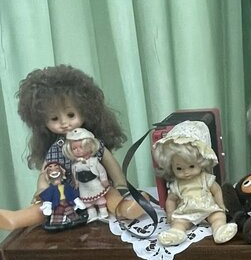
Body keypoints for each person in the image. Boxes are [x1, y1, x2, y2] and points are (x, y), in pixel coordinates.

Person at [0, 65, 143, 230]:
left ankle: (125, 208)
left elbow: (109, 162)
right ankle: (16, 219)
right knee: (45, 206)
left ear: (86, 109)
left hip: (96, 185)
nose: (64, 123)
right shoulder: (56, 148)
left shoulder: (91, 141)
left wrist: (120, 184)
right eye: (54, 118)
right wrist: (41, 190)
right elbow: (46, 172)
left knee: (111, 195)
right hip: (66, 193)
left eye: (70, 115)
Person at [151, 119, 237, 246]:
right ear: (171, 166)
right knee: (179, 222)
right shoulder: (177, 184)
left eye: (191, 166)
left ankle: (219, 230)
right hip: (186, 212)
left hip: (208, 208)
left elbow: (217, 190)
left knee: (218, 216)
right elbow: (171, 200)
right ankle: (176, 233)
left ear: (201, 162)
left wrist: (221, 205)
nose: (186, 172)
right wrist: (170, 214)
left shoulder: (205, 178)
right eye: (179, 168)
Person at [63, 128, 110, 222]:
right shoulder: (75, 165)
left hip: (94, 183)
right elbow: (74, 175)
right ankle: (92, 214)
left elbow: (101, 171)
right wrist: (76, 183)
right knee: (88, 202)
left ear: (89, 146)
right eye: (74, 148)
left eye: (81, 147)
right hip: (83, 186)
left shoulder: (94, 161)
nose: (78, 150)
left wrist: (104, 180)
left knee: (100, 199)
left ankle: (103, 212)